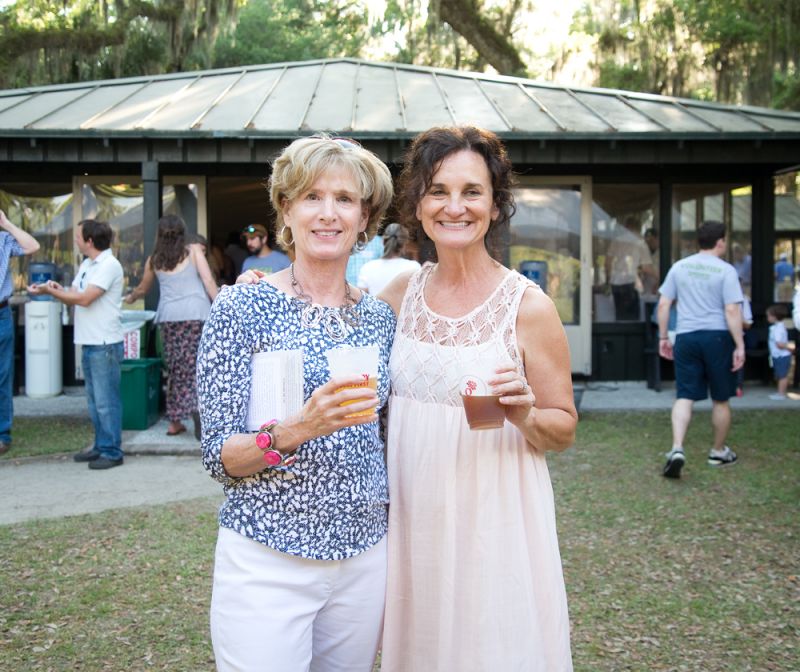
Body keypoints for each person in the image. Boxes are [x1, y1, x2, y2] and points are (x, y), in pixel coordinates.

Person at [378, 126, 577, 670]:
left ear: (495, 204)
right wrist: (268, 286)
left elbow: (562, 429)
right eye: (438, 190)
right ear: (417, 204)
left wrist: (525, 414)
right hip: (414, 520)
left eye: (472, 191)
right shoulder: (397, 296)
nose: (454, 207)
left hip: (496, 520)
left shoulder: (527, 307)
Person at [196, 134, 394, 671]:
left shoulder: (379, 318)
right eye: (311, 197)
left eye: (345, 199)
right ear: (286, 208)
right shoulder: (243, 306)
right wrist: (296, 427)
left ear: (364, 216)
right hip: (267, 558)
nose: (328, 214)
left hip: (363, 556)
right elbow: (220, 458)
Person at [28, 219, 125, 469]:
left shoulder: (109, 265)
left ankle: (113, 451)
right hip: (88, 340)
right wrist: (54, 288)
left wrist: (51, 293)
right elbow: (74, 291)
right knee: (93, 401)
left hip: (104, 343)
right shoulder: (87, 264)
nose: (76, 240)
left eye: (79, 237)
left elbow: (84, 299)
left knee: (106, 402)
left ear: (90, 241)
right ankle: (100, 446)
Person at [657, 220, 744, 479]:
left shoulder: (679, 267)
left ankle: (677, 448)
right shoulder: (726, 271)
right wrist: (739, 345)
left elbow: (664, 304)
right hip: (717, 338)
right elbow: (732, 309)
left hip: (686, 336)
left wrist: (664, 336)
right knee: (720, 397)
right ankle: (718, 451)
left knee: (684, 394)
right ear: (720, 242)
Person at [125, 215, 218, 438]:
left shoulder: (154, 259)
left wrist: (132, 297)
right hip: (197, 315)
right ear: (182, 232)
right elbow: (208, 281)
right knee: (199, 367)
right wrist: (221, 308)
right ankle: (200, 413)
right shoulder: (194, 251)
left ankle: (175, 421)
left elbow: (144, 289)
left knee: (176, 369)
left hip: (170, 319)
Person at [0, 209, 40, 456]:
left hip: (1, 314)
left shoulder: (3, 241)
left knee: (2, 376)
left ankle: (2, 434)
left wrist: (7, 224)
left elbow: (32, 246)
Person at [605, 216, 657, 320]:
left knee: (619, 317)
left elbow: (607, 263)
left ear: (626, 226)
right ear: (639, 227)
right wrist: (661, 276)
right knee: (632, 321)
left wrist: (608, 280)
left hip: (616, 282)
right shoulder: (640, 242)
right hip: (631, 283)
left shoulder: (616, 240)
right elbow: (646, 267)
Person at [356, 222, 420, 294]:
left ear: (383, 241)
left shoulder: (367, 268)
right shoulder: (414, 267)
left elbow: (361, 298)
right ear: (404, 244)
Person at [766, 304, 793, 400]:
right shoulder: (778, 327)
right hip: (778, 355)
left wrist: (789, 347)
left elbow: (779, 344)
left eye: (768, 316)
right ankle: (780, 392)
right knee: (780, 374)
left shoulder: (778, 329)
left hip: (781, 356)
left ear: (775, 316)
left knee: (782, 375)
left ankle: (781, 394)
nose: (767, 318)